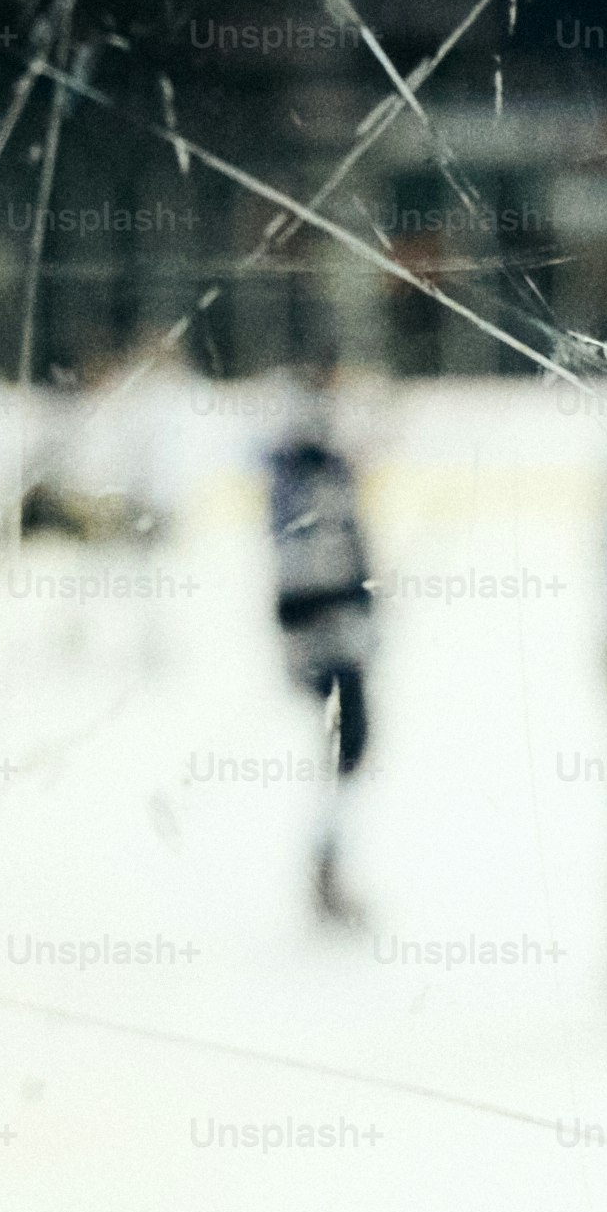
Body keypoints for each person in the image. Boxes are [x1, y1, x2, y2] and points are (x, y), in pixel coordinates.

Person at [267, 375, 376, 924]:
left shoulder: (322, 474)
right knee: (343, 747)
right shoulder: (303, 478)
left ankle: (329, 868)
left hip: (336, 633)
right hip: (323, 636)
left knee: (347, 750)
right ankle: (325, 873)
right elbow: (306, 564)